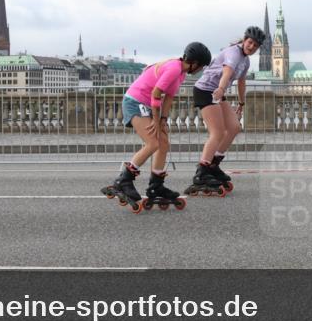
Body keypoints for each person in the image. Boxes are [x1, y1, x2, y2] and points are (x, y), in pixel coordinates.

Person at [102, 42, 212, 210]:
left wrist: (163, 120)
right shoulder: (174, 68)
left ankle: (156, 185)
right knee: (153, 143)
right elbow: (156, 93)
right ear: (194, 62)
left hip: (145, 104)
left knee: (163, 143)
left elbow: (168, 99)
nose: (201, 69)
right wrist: (155, 119)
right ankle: (123, 181)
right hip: (134, 101)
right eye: (201, 66)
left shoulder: (181, 73)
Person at [186, 25, 266, 195]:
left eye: (255, 46)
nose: (251, 47)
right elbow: (227, 73)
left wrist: (242, 103)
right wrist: (222, 89)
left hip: (217, 93)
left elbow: (241, 82)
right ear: (244, 40)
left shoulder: (246, 61)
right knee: (217, 132)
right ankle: (201, 173)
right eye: (250, 42)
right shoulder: (233, 53)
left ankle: (213, 164)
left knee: (234, 127)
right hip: (205, 90)